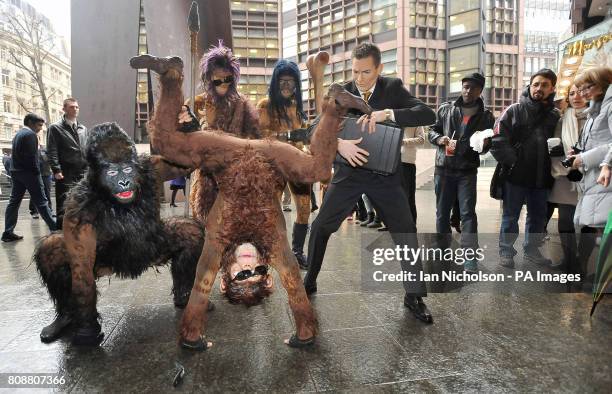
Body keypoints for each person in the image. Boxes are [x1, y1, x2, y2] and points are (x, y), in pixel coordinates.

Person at [303, 42, 436, 323]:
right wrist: (338, 144)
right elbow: (313, 130)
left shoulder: (393, 88)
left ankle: (414, 296)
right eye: (355, 72)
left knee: (405, 231)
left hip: (385, 176)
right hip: (349, 175)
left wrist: (388, 113)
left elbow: (428, 114)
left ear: (379, 68)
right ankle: (310, 281)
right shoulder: (341, 91)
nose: (359, 79)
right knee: (320, 226)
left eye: (366, 72)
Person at [490, 68, 561, 268]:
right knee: (510, 215)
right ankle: (506, 251)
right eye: (536, 84)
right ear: (530, 85)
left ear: (552, 88)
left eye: (545, 85)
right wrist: (513, 162)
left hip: (543, 177)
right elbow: (498, 139)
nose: (539, 88)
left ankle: (532, 250)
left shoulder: (555, 115)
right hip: (516, 176)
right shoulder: (514, 110)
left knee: (538, 216)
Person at [428, 72, 495, 273]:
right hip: (443, 168)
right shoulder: (446, 109)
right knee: (441, 213)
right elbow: (432, 130)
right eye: (465, 86)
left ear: (480, 91)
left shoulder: (486, 116)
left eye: (473, 88)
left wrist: (483, 144)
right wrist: (439, 139)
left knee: (467, 214)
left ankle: (470, 259)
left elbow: (486, 146)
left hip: (467, 170)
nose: (467, 90)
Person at [187, 41, 260, 223]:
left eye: (227, 78)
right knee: (205, 220)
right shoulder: (197, 103)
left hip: (235, 174)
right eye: (218, 79)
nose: (223, 83)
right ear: (209, 78)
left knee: (233, 224)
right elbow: (186, 137)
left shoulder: (242, 104)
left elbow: (255, 137)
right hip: (206, 176)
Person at [257, 59, 312, 269]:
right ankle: (270, 252)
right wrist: (288, 136)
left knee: (305, 210)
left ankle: (297, 251)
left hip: (296, 164)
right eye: (283, 81)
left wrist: (306, 139)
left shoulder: (296, 107)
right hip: (273, 165)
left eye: (291, 81)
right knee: (271, 211)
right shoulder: (265, 105)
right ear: (275, 83)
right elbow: (259, 136)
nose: (287, 86)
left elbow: (303, 134)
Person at [568, 67, 612, 285]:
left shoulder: (609, 106)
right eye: (581, 87)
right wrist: (578, 155)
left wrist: (586, 159)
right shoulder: (596, 109)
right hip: (596, 178)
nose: (583, 92)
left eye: (589, 86)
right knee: (602, 231)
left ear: (604, 84)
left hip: (606, 176)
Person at [546, 84, 588, 272]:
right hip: (565, 178)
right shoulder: (563, 119)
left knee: (588, 224)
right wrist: (566, 168)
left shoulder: (599, 117)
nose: (576, 96)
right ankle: (568, 260)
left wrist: (583, 165)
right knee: (565, 223)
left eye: (581, 92)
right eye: (572, 93)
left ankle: (582, 264)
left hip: (590, 178)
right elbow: (556, 148)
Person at [2, 113, 57, 241]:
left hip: (16, 172)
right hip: (29, 173)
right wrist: (37, 173)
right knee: (42, 201)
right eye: (39, 125)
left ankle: (8, 232)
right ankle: (55, 228)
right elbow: (32, 158)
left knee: (13, 202)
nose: (40, 128)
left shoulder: (18, 134)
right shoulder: (31, 135)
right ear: (31, 123)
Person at [47, 98, 88, 229]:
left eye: (77, 107)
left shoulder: (83, 128)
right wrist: (56, 170)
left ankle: (79, 228)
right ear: (64, 109)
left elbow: (86, 148)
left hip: (82, 170)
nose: (75, 109)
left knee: (83, 200)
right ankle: (61, 230)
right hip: (65, 171)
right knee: (63, 202)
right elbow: (52, 150)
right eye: (71, 107)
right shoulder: (55, 128)